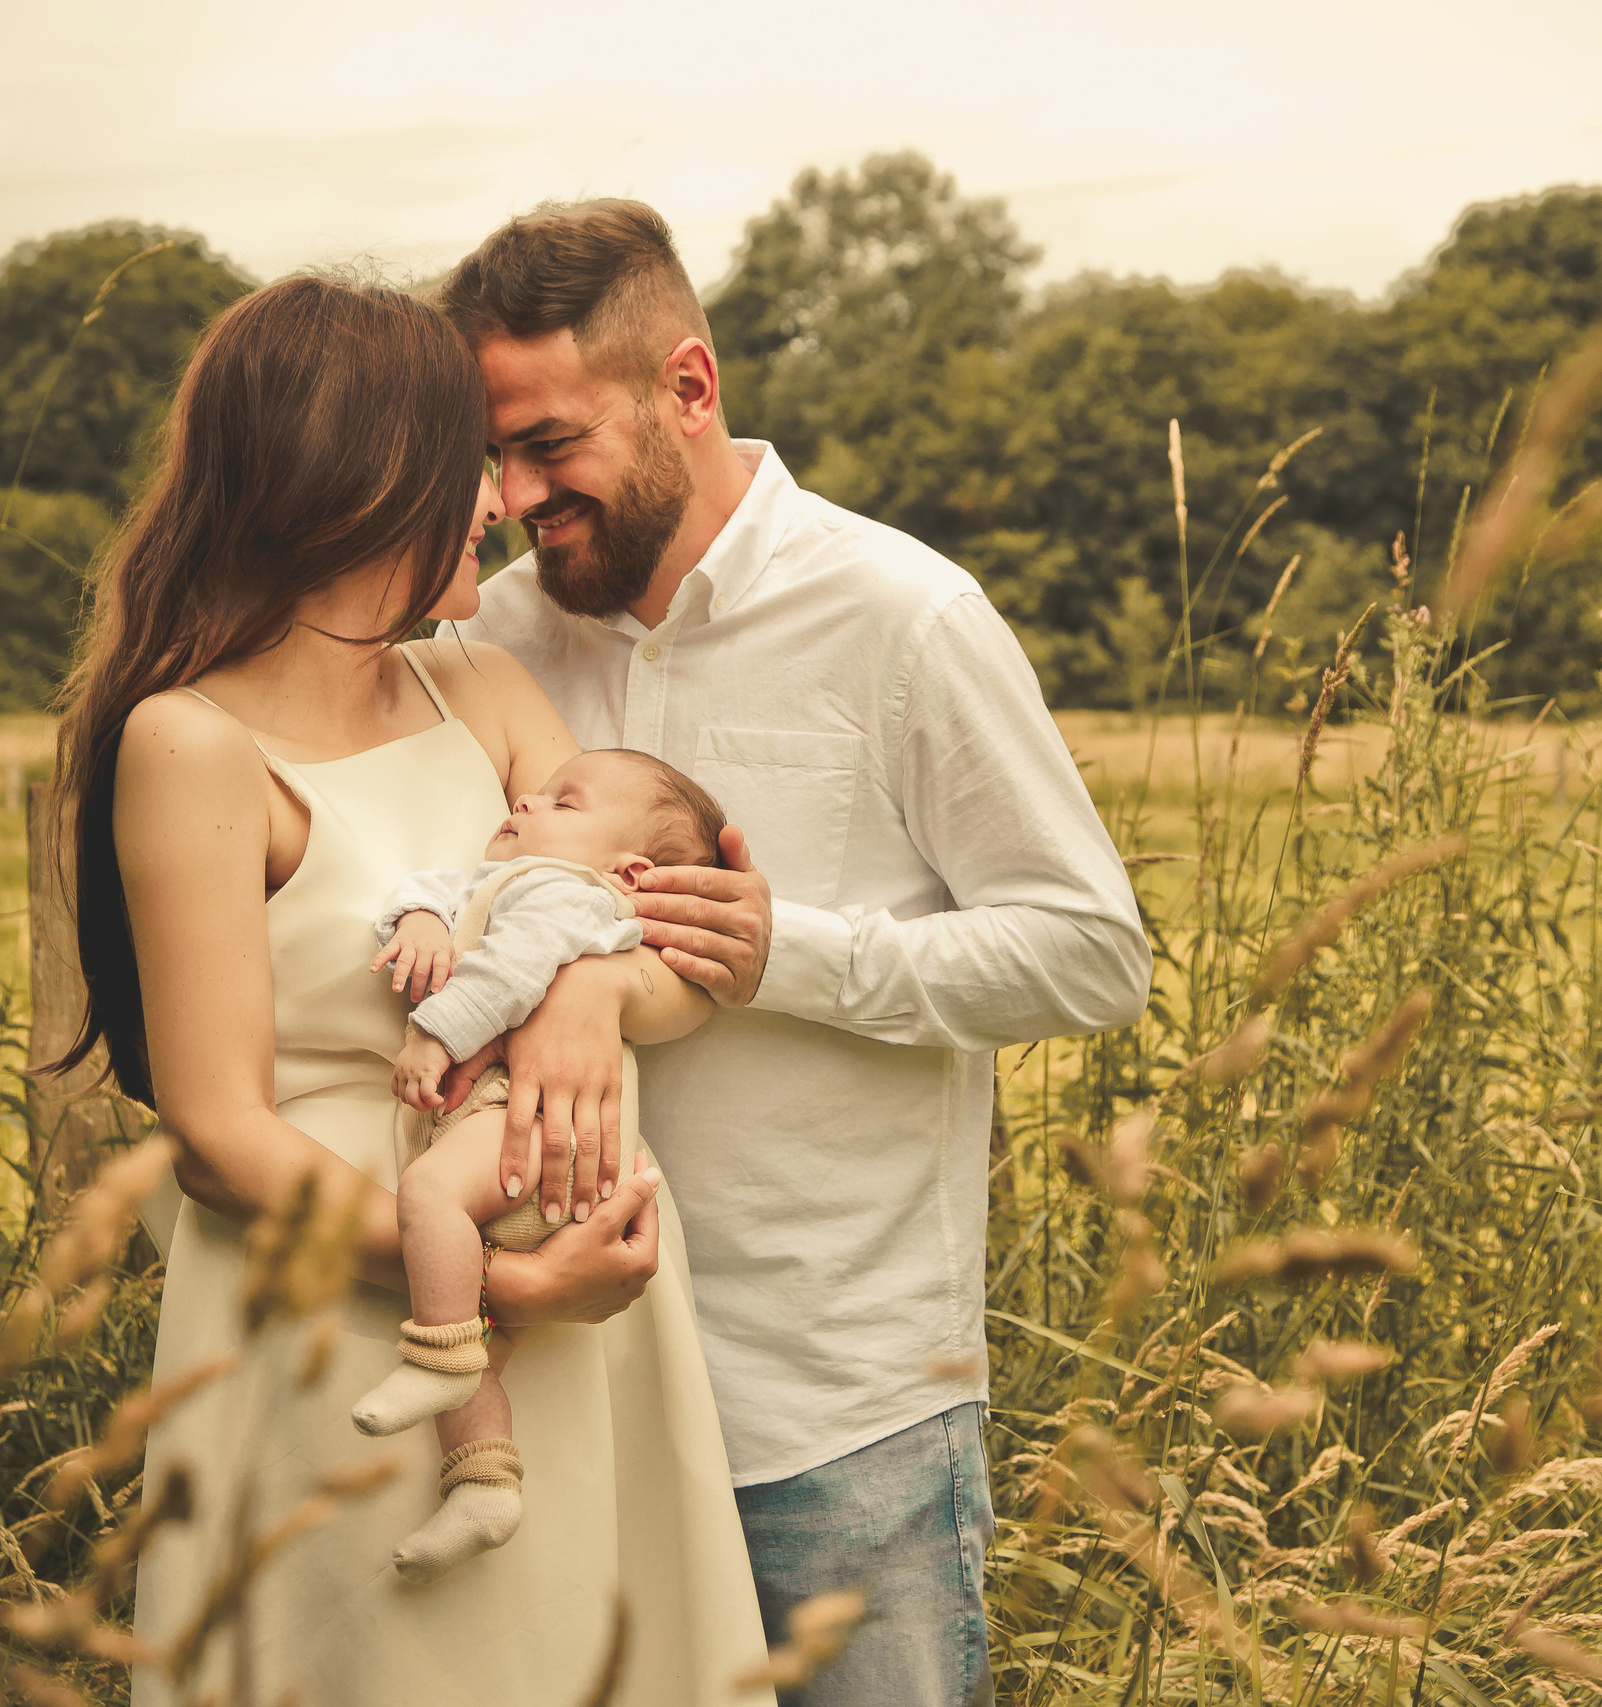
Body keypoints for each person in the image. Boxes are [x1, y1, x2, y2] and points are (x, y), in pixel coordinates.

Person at [437, 201, 1153, 1705]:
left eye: (549, 445)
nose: (512, 496)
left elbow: (1092, 952)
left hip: (830, 1411)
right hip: (566, 1388)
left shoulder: (902, 616)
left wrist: (794, 954)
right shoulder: (492, 638)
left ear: (688, 388)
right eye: (492, 457)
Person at [50, 274, 772, 1706]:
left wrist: (597, 997)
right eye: (471, 465)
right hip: (354, 1311)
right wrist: (502, 1285)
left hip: (590, 1312)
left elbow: (667, 955)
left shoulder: (480, 689)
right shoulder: (190, 745)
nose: (501, 501)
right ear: (365, 481)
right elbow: (217, 1130)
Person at [352, 748, 729, 1588]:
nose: (528, 796)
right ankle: (483, 1482)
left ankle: (438, 1351)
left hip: (513, 1124)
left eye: (564, 799)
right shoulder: (516, 880)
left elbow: (511, 971)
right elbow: (441, 892)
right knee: (491, 1344)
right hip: (536, 1153)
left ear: (626, 869)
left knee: (429, 1194)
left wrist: (435, 1033)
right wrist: (418, 916)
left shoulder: (569, 896)